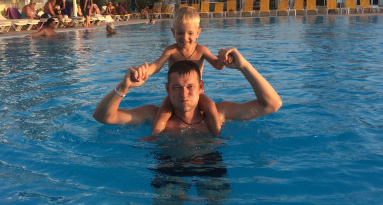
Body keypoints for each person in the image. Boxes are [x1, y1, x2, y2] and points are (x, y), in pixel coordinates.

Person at [93, 49, 282, 135]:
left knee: (216, 200)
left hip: (209, 165)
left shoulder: (219, 113)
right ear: (167, 89)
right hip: (169, 168)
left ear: (201, 87)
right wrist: (123, 87)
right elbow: (102, 117)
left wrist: (244, 66)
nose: (184, 95)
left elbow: (272, 104)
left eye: (190, 87)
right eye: (177, 88)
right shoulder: (152, 114)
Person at [132, 6, 224, 136]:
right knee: (163, 113)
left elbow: (218, 65)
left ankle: (217, 136)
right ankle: (155, 137)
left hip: (194, 94)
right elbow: (156, 66)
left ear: (198, 33)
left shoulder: (201, 50)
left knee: (210, 106)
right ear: (173, 32)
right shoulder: (171, 51)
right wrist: (144, 71)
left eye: (190, 33)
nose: (185, 38)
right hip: (175, 94)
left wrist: (225, 59)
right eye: (180, 33)